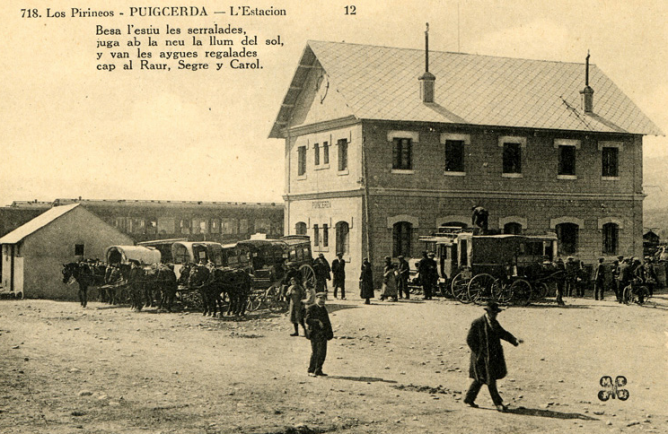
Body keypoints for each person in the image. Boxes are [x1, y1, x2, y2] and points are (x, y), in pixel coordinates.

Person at [464, 302, 521, 412]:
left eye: (496, 313)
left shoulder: (494, 323)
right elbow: (469, 340)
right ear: (488, 312)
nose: (494, 315)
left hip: (492, 356)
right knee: (490, 379)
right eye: (493, 313)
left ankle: (469, 398)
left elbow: (502, 333)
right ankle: (498, 403)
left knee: (480, 378)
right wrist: (479, 352)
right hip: (481, 357)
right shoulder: (477, 323)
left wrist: (514, 340)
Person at [305, 292, 334, 377]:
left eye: (323, 299)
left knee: (322, 353)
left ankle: (318, 370)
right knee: (315, 352)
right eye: (320, 298)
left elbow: (327, 321)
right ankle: (311, 370)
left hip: (323, 334)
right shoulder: (311, 308)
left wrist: (330, 332)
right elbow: (307, 320)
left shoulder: (323, 308)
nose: (322, 301)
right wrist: (317, 321)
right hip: (314, 333)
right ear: (316, 299)